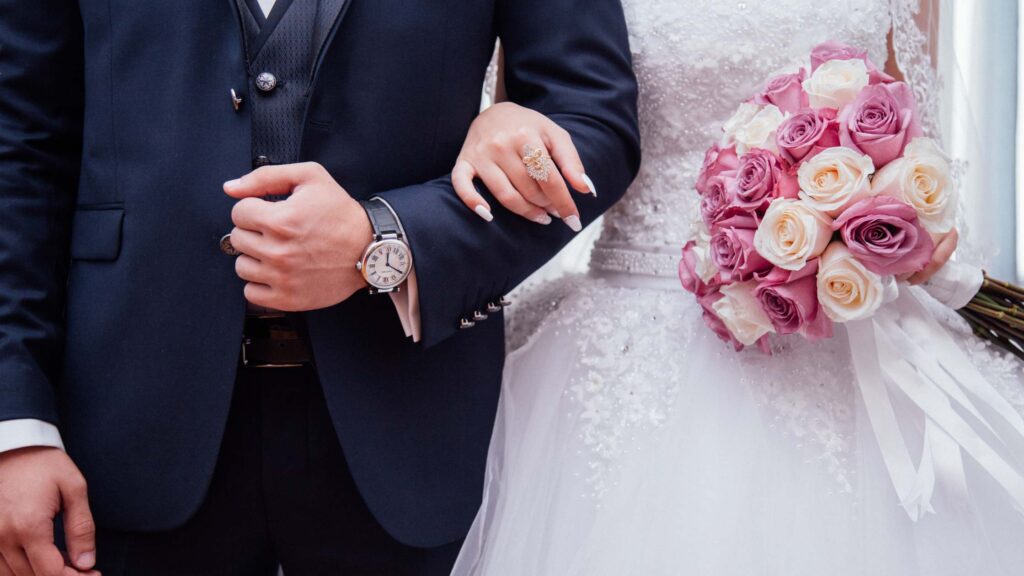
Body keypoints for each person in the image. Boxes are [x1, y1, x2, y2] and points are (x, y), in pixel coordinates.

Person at [0, 1, 640, 574]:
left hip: (408, 425)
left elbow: (592, 123)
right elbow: (20, 145)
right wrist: (14, 421)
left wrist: (385, 241)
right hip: (122, 426)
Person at [447, 1, 1024, 574]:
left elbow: (903, 109)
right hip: (636, 338)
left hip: (850, 320)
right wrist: (494, 125)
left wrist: (910, 225)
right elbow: (542, 128)